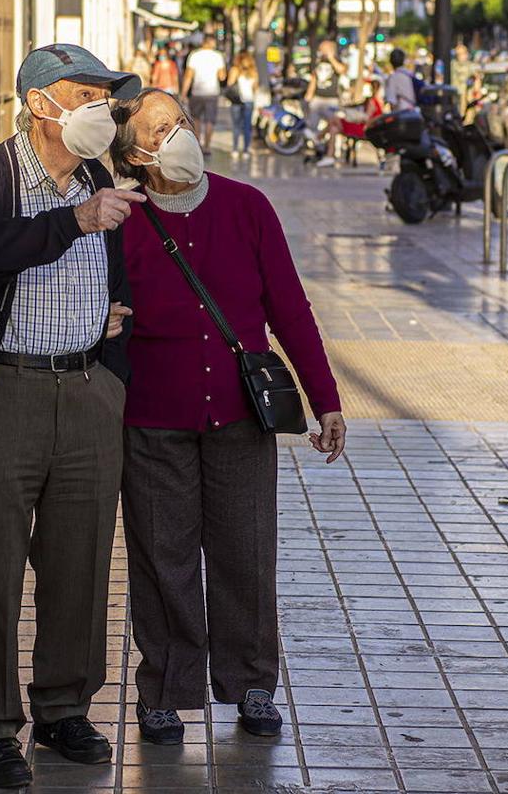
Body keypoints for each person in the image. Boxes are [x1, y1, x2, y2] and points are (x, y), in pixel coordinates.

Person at [0, 43, 142, 790]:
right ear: (41, 103)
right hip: (4, 395)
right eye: (87, 95)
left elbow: (108, 267)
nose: (100, 112)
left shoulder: (97, 174)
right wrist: (75, 221)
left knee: (80, 560)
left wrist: (108, 324)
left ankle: (62, 705)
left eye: (106, 99)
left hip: (86, 392)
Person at [108, 88, 346, 747]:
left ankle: (251, 685)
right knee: (163, 557)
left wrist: (325, 399)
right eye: (160, 129)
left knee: (245, 554)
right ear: (135, 150)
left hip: (242, 416)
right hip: (151, 420)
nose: (178, 135)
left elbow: (291, 310)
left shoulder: (248, 207)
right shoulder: (121, 218)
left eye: (181, 122)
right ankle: (165, 690)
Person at [304, 39, 351, 166]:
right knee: (312, 127)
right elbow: (313, 80)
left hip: (331, 99)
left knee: (334, 123)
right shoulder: (317, 62)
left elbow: (342, 70)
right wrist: (308, 97)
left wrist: (331, 58)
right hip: (317, 98)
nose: (321, 51)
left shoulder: (337, 60)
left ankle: (322, 143)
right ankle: (321, 147)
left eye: (323, 49)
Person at [181, 34, 227, 153]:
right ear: (212, 43)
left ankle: (198, 146)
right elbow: (222, 77)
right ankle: (207, 146)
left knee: (196, 119)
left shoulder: (194, 55)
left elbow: (188, 76)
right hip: (212, 92)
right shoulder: (218, 56)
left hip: (197, 92)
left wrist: (183, 93)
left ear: (203, 42)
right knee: (210, 121)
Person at [226, 50, 259, 155]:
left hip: (236, 101)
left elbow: (229, 84)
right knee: (247, 126)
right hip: (249, 101)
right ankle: (246, 150)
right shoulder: (254, 72)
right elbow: (255, 88)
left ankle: (235, 149)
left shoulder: (234, 70)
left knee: (236, 126)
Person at [385, 47, 418, 112]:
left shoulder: (393, 77)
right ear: (403, 60)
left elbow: (392, 101)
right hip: (414, 111)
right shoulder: (410, 74)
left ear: (391, 61)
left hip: (401, 113)